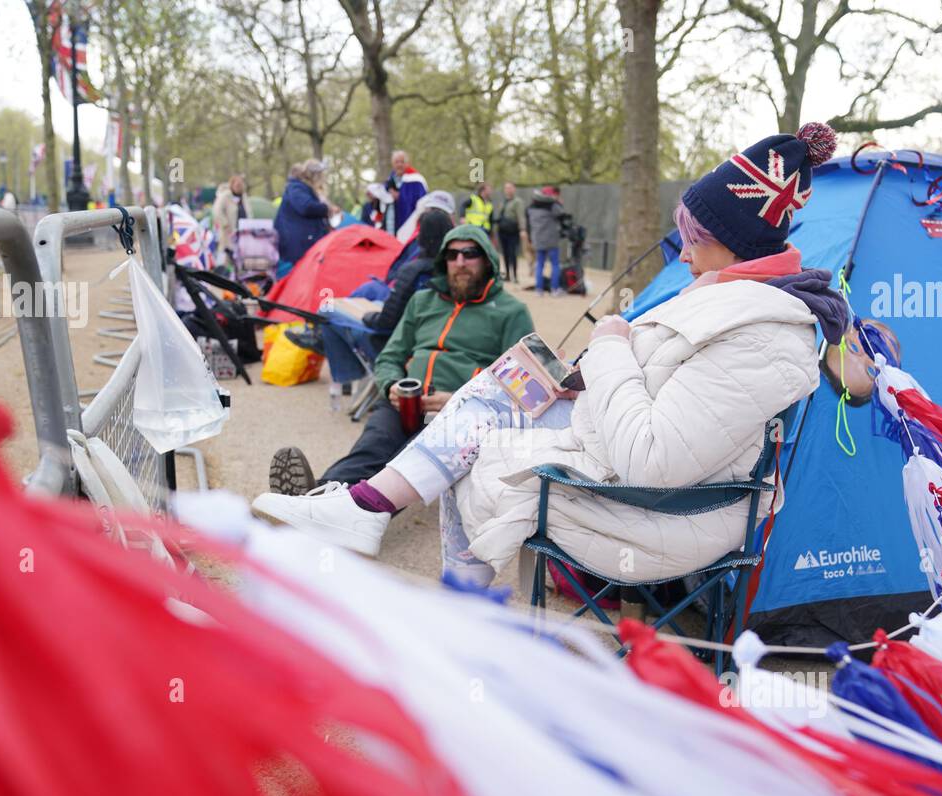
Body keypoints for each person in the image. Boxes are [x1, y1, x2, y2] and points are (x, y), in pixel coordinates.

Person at [251, 123, 849, 588]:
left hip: (667, 511)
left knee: (480, 431)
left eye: (694, 240)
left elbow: (653, 458)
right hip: (623, 454)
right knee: (499, 388)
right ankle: (376, 514)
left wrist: (611, 346)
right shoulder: (728, 298)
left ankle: (388, 527)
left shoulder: (761, 331)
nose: (684, 255)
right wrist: (584, 377)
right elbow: (665, 391)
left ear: (734, 245)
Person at [257, 223, 534, 514]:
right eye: (452, 255)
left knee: (409, 462)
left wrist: (456, 399)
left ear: (488, 259)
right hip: (406, 400)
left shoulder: (511, 312)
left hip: (459, 413)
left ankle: (333, 512)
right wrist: (391, 386)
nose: (460, 262)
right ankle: (315, 498)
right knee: (371, 447)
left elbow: (522, 386)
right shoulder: (422, 301)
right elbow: (391, 355)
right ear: (444, 261)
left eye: (470, 254)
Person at [310, 208, 456, 388]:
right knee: (370, 293)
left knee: (325, 309)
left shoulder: (414, 271)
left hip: (394, 339)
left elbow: (386, 322)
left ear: (421, 236)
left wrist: (367, 316)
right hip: (430, 340)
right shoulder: (455, 272)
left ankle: (349, 376)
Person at [274, 160, 339, 266]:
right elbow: (306, 207)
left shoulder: (301, 188)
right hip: (299, 245)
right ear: (315, 176)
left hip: (303, 241)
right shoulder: (297, 188)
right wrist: (328, 209)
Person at [526, 186, 566, 295]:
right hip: (552, 240)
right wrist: (559, 203)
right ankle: (554, 289)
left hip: (538, 240)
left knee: (539, 264)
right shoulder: (553, 206)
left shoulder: (531, 208)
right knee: (555, 264)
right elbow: (562, 215)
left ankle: (539, 289)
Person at [383, 150, 427, 240]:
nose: (399, 165)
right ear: (392, 164)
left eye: (402, 162)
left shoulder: (415, 180)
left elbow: (422, 202)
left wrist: (400, 197)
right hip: (390, 223)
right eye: (396, 162)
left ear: (407, 163)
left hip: (409, 223)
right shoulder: (390, 179)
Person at [494, 182, 527, 284]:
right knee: (505, 253)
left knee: (513, 253)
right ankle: (508, 274)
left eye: (510, 188)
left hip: (513, 231)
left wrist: (522, 229)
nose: (508, 190)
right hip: (502, 231)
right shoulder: (503, 202)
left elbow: (521, 216)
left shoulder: (517, 202)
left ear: (514, 189)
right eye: (506, 188)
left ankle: (515, 275)